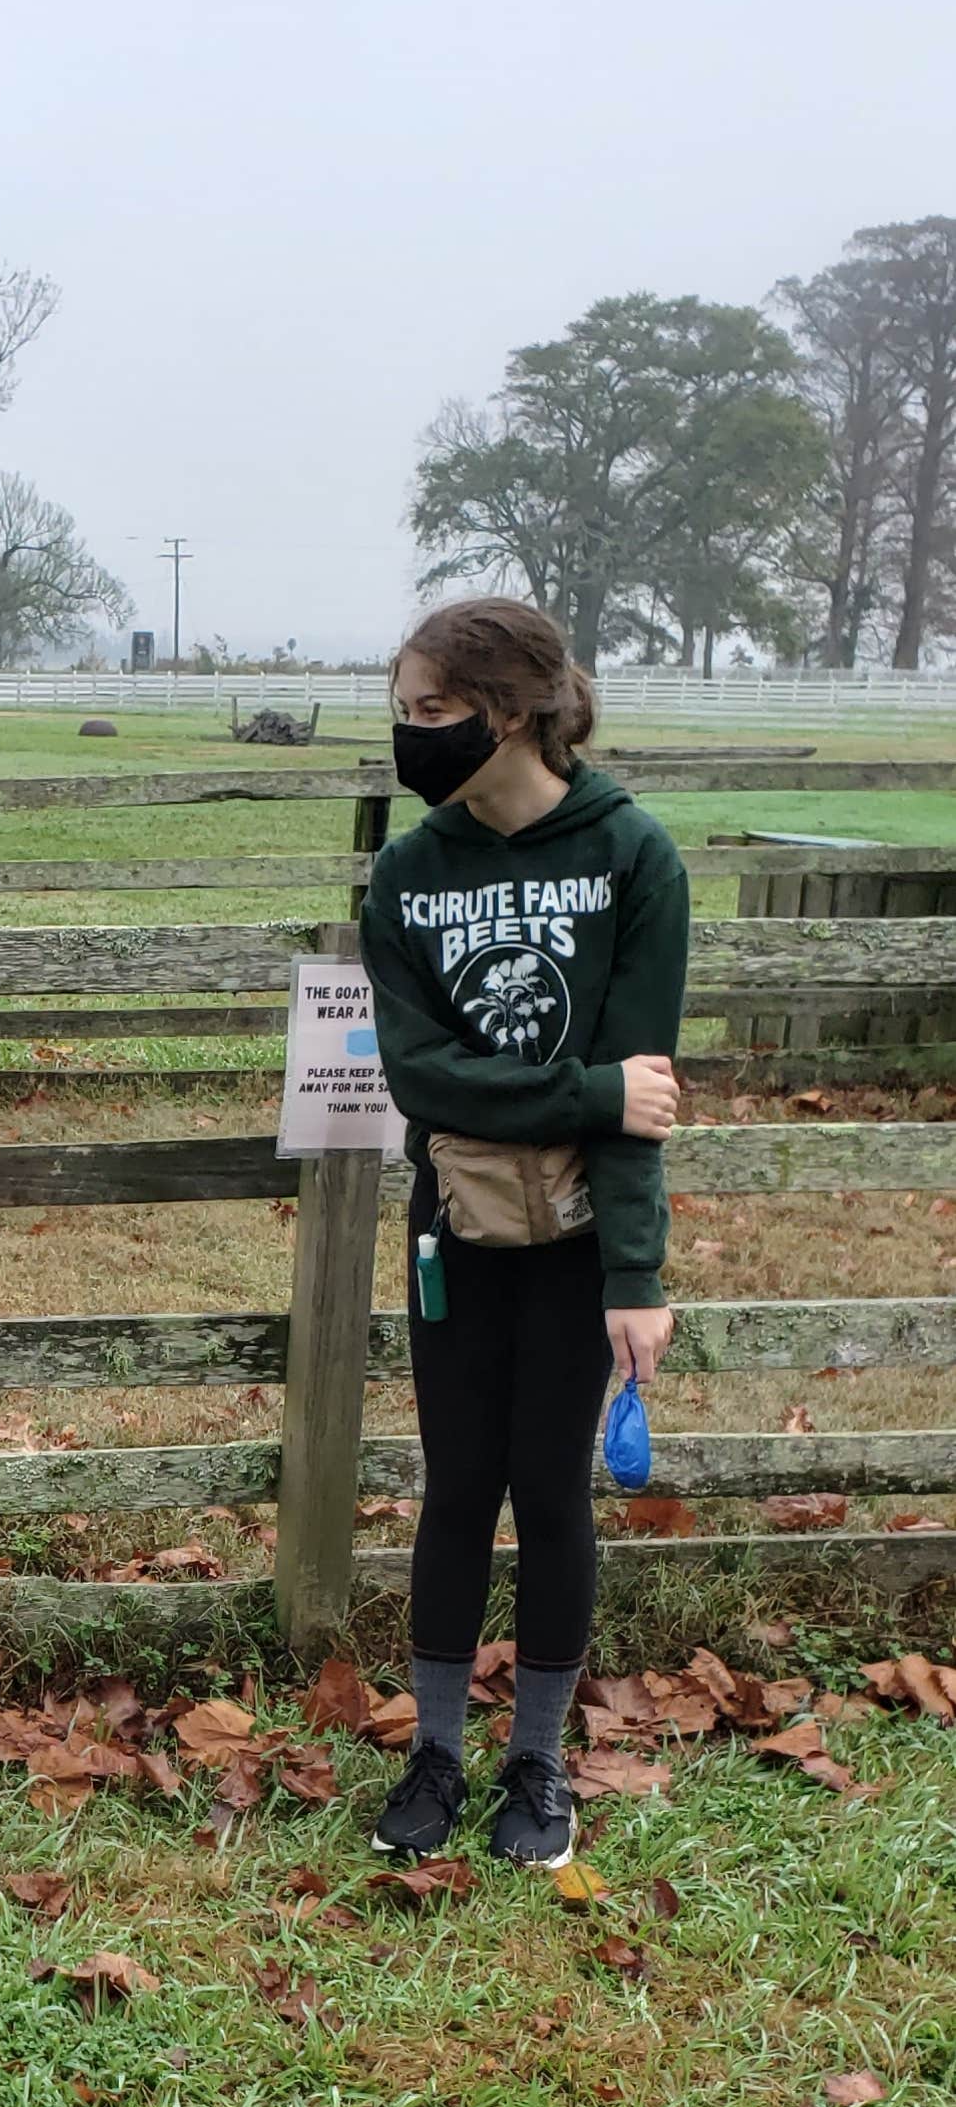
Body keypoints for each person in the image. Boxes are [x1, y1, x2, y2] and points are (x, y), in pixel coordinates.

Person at [359, 598, 688, 1868]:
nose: (412, 735)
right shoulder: (411, 871)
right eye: (403, 712)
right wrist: (588, 1092)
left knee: (550, 1493)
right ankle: (435, 1753)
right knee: (454, 1490)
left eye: (434, 712)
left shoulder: (630, 858)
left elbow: (645, 1089)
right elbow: (421, 1076)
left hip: (575, 1239)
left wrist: (636, 1269)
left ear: (512, 712)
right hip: (451, 1229)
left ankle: (537, 1766)